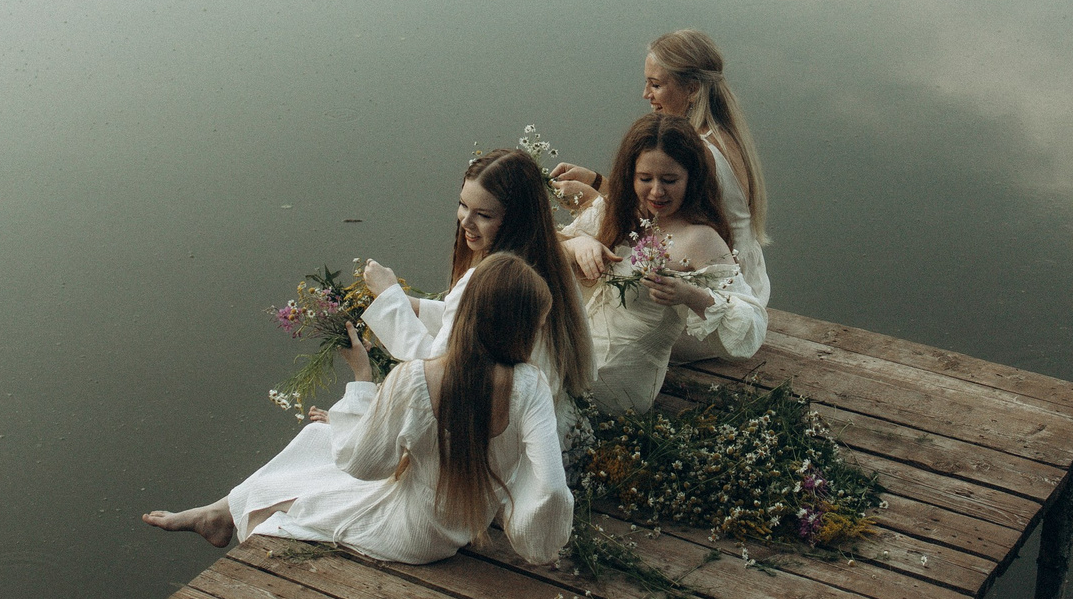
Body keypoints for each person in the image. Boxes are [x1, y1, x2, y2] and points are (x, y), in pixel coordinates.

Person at [144, 254, 572, 567]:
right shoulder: (531, 385)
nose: (537, 335)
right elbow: (552, 485)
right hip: (455, 528)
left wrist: (362, 380)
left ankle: (227, 514)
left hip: (410, 533)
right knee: (318, 438)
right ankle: (221, 512)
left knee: (291, 498)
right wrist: (539, 539)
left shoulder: (419, 378)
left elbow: (362, 464)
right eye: (536, 326)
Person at [354, 149, 592, 433]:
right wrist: (415, 306)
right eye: (463, 205)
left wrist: (389, 297)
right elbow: (476, 319)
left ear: (515, 218)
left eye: (483, 214)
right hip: (545, 424)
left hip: (498, 433)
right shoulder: (551, 262)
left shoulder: (484, 280)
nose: (465, 222)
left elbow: (433, 368)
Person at [551, 30, 771, 314]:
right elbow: (660, 199)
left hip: (711, 303)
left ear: (692, 89)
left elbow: (654, 218)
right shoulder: (721, 134)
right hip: (750, 285)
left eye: (655, 85)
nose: (646, 95)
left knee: (574, 276)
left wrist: (590, 198)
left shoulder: (697, 153)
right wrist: (595, 180)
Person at [559, 115, 765, 413]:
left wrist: (690, 295)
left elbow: (751, 326)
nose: (657, 191)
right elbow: (537, 247)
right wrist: (577, 245)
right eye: (645, 179)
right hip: (574, 354)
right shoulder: (616, 213)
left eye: (669, 180)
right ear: (630, 175)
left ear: (691, 178)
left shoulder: (699, 239)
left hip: (618, 384)